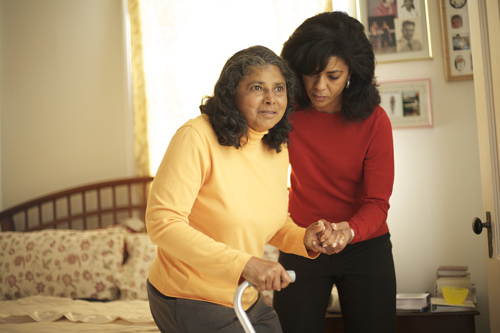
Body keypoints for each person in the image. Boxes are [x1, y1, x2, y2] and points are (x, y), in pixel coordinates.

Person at [145, 45, 344, 333]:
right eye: (256, 88)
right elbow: (162, 224)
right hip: (190, 296)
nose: (270, 99)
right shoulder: (196, 137)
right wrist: (245, 265)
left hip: (245, 296)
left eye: (278, 89)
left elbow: (269, 222)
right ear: (231, 94)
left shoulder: (274, 146)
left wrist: (305, 238)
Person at [273, 12, 396, 333]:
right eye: (310, 74)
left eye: (333, 75)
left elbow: (377, 202)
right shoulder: (284, 113)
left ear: (352, 73)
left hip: (365, 246)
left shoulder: (375, 120)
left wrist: (348, 231)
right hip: (302, 243)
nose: (319, 86)